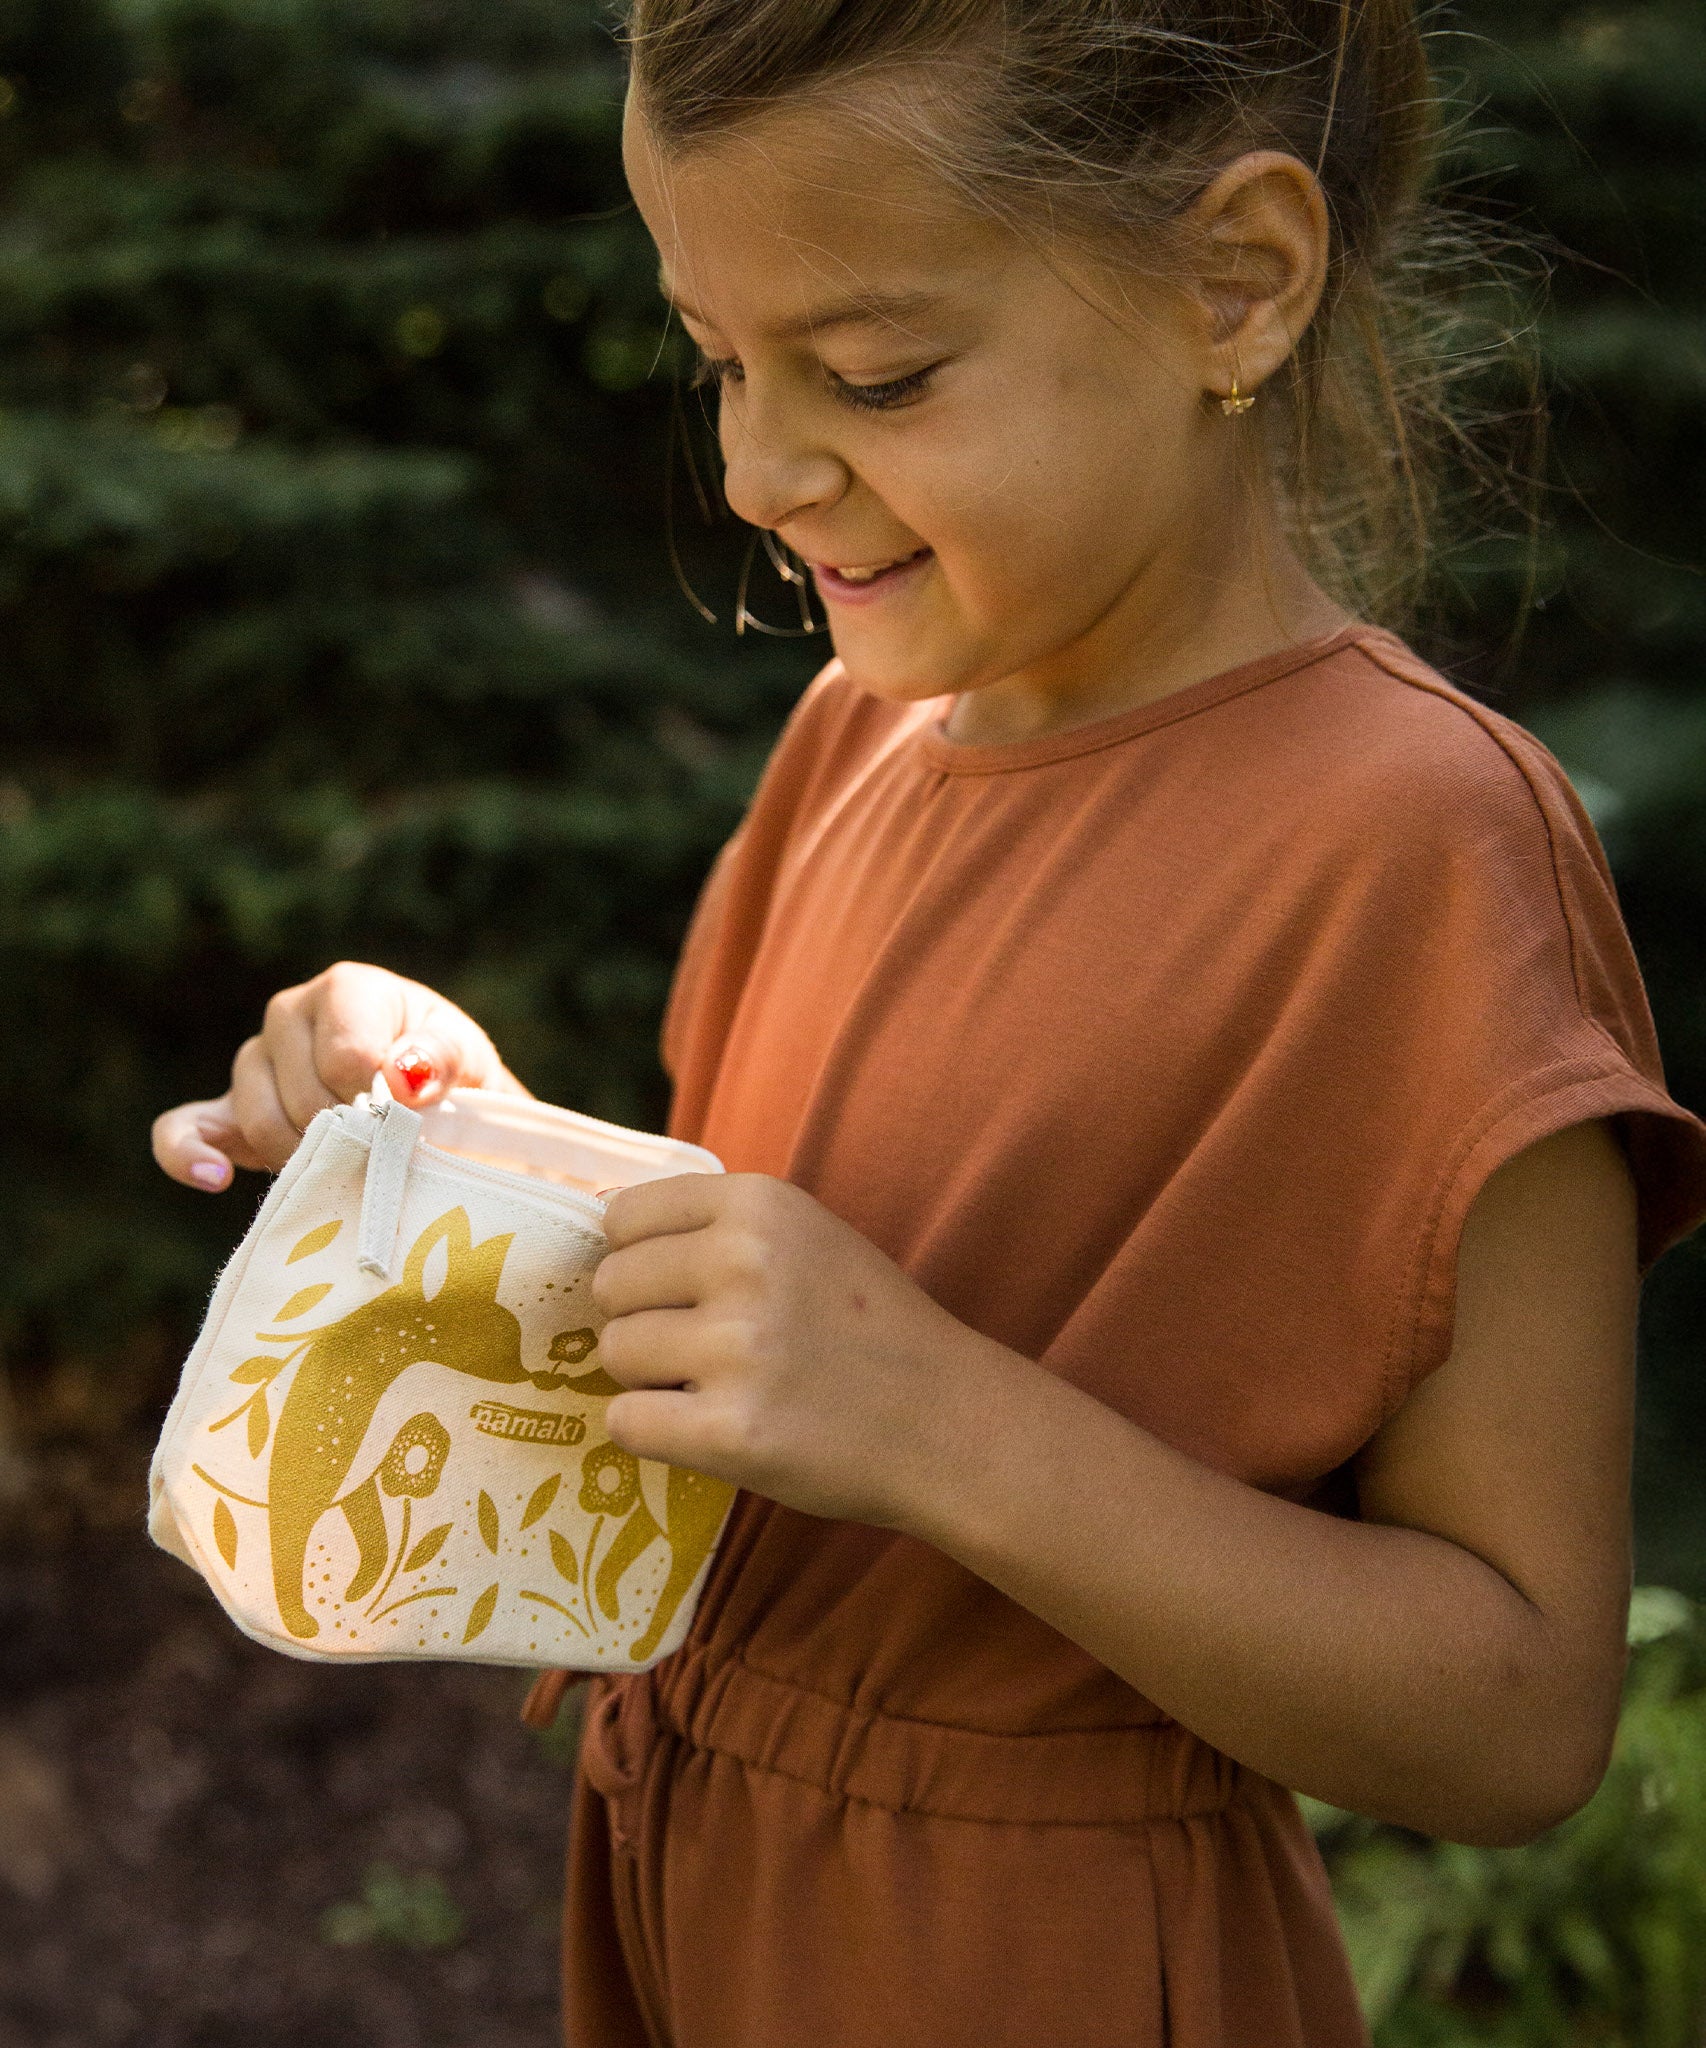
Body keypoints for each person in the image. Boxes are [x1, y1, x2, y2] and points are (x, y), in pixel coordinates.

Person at [152, 4, 1706, 2043]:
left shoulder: (1418, 851)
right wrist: (471, 1141)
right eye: (718, 361)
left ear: (1232, 283)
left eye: (873, 374)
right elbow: (785, 1331)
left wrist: (944, 1427)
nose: (753, 464)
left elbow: (1515, 1718)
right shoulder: (850, 744)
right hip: (696, 1902)